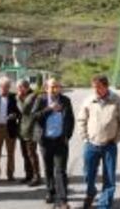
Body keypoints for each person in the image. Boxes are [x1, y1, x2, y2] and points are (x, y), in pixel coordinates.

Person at [78, 75, 120, 209]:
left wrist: (116, 139)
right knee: (88, 174)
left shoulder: (118, 101)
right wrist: (85, 138)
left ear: (106, 86)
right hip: (91, 145)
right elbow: (81, 120)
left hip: (109, 146)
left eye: (99, 87)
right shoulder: (89, 100)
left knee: (109, 177)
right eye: (94, 87)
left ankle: (104, 204)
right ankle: (91, 192)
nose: (95, 90)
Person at [33, 78, 75, 209]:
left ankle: (62, 200)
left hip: (60, 141)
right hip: (45, 141)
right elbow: (34, 117)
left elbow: (70, 120)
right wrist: (49, 109)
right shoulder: (41, 100)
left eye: (57, 86)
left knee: (61, 170)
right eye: (52, 87)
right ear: (46, 88)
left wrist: (67, 136)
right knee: (48, 168)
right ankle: (50, 192)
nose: (55, 89)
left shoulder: (65, 100)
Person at [0, 76, 20, 183]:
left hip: (10, 128)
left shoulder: (14, 97)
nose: (6, 89)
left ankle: (10, 174)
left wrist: (14, 115)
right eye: (4, 86)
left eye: (8, 86)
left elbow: (19, 112)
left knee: (11, 153)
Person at [16, 79, 41, 186]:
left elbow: (24, 110)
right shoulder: (22, 96)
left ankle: (36, 177)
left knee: (31, 154)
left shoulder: (33, 96)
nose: (18, 90)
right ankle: (28, 175)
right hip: (23, 130)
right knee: (25, 154)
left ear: (25, 87)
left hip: (31, 130)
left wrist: (18, 98)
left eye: (19, 88)